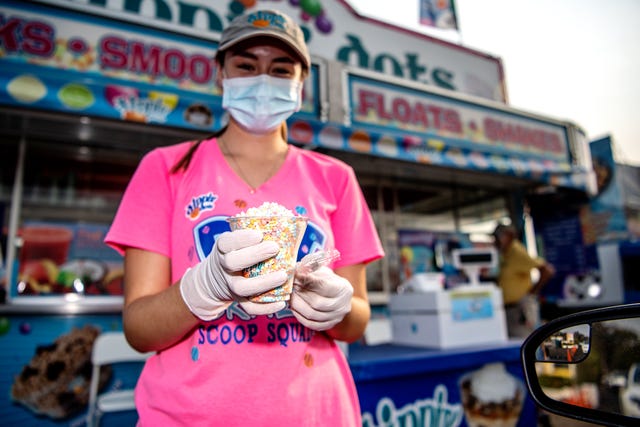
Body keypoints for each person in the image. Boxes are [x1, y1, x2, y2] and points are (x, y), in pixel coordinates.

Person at [104, 9, 384, 426]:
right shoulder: (166, 168)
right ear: (220, 73)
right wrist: (202, 288)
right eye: (247, 65)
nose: (262, 80)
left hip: (316, 413)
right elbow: (139, 329)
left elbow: (358, 318)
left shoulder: (336, 179)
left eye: (280, 69)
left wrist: (338, 308)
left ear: (301, 85)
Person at [493, 224, 555, 339]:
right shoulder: (505, 254)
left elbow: (547, 270)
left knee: (523, 342)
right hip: (510, 310)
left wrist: (531, 294)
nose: (495, 242)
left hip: (520, 309)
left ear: (509, 236)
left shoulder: (517, 252)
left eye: (497, 238)